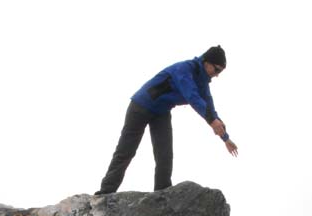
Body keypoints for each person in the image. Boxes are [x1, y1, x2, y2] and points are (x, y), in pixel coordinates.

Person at [95, 45, 238, 195]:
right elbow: (192, 97)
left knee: (165, 155)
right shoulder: (184, 69)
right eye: (217, 70)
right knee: (126, 151)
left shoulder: (202, 82)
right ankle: (105, 192)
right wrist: (211, 121)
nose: (217, 75)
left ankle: (162, 195)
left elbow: (210, 109)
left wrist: (226, 139)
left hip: (161, 112)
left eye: (220, 71)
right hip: (140, 107)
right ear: (206, 62)